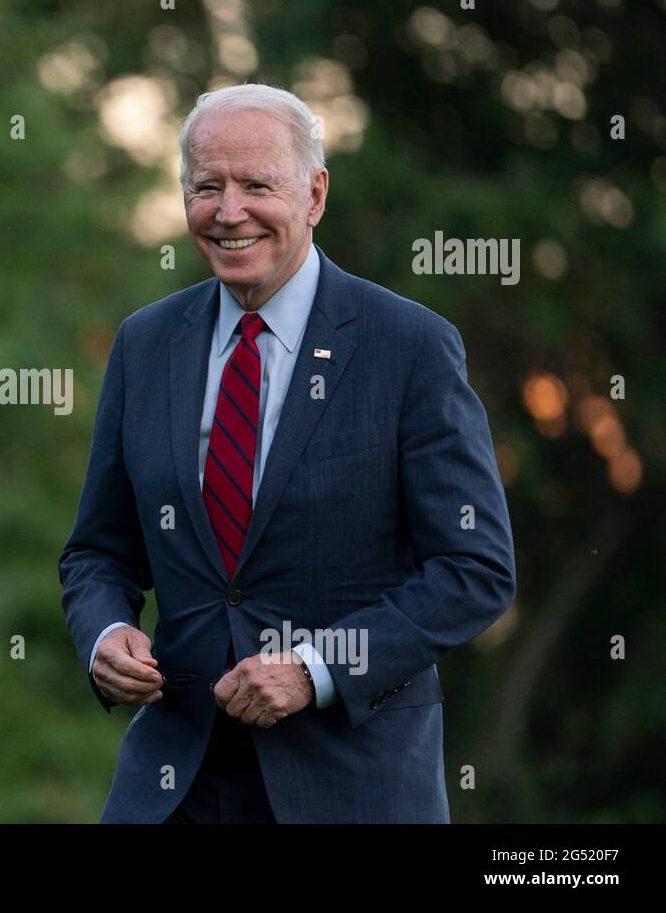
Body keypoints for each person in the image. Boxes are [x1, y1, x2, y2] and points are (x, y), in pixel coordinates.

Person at [58, 83, 516, 823]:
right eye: (207, 186)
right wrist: (106, 634)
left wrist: (316, 668)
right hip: (175, 785)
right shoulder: (145, 344)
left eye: (256, 185)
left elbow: (474, 570)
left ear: (315, 194)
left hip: (352, 786)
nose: (228, 211)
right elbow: (97, 553)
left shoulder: (410, 347)